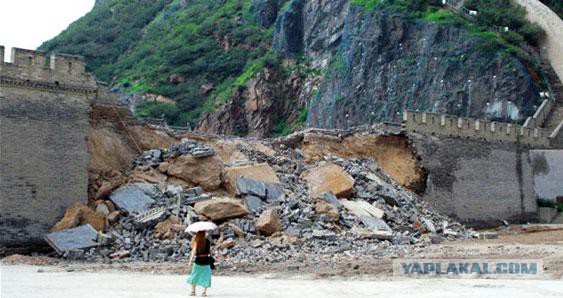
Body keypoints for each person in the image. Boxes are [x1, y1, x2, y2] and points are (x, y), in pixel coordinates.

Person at [187, 231, 212, 297]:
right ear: (204, 234)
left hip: (198, 260)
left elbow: (193, 251)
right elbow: (209, 252)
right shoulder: (208, 241)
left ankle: (193, 292)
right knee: (206, 276)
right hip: (206, 261)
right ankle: (203, 292)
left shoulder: (197, 241)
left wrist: (190, 261)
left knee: (194, 275)